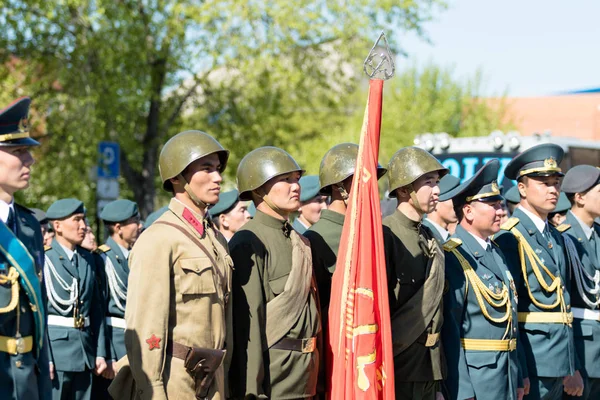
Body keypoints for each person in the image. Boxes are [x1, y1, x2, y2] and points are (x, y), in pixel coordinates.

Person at [109, 130, 233, 400]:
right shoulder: (158, 239)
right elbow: (144, 326)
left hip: (214, 379)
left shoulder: (216, 239)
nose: (218, 177)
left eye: (218, 169)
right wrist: (152, 390)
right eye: (206, 168)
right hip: (176, 381)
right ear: (177, 177)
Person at [229, 146, 320, 399]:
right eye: (286, 180)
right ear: (258, 189)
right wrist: (251, 391)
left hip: (307, 377)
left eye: (297, 179)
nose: (296, 186)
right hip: (275, 381)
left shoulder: (299, 240)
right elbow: (248, 326)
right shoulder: (248, 241)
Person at [494, 143, 583, 399]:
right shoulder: (510, 236)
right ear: (521, 188)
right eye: (544, 183)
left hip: (557, 361)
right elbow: (509, 312)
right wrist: (519, 370)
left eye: (556, 182)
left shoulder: (555, 236)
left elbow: (563, 307)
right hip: (532, 362)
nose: (554, 190)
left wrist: (571, 363)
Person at [441, 160, 523, 400]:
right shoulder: (454, 256)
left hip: (505, 376)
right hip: (478, 383)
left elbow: (511, 322)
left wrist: (517, 377)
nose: (501, 211)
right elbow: (451, 330)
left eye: (500, 204)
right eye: (493, 205)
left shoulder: (496, 250)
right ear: (468, 211)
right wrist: (463, 390)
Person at [383, 146, 447, 400]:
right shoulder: (386, 235)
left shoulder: (431, 237)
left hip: (429, 369)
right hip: (399, 368)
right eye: (429, 183)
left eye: (437, 183)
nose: (437, 191)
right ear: (403, 189)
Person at [0, 97, 51, 399]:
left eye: (28, 151)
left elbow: (38, 310)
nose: (30, 160)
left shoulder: (30, 225)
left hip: (27, 373)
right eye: (19, 151)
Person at [304, 142, 387, 323]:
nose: (369, 186)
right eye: (362, 179)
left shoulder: (372, 233)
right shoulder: (316, 239)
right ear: (337, 186)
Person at [45, 198, 107, 400]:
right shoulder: (45, 258)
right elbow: (39, 313)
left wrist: (99, 352)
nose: (84, 226)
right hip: (57, 351)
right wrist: (46, 357)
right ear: (57, 226)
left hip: (85, 351)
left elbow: (95, 309)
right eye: (77, 220)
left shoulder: (87, 258)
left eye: (84, 220)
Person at [93, 199, 142, 398]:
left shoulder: (135, 256)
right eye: (135, 221)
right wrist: (106, 354)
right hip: (115, 343)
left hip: (134, 340)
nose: (140, 225)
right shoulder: (102, 259)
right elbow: (99, 311)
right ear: (118, 227)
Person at [561, 165, 600, 400]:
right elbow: (560, 309)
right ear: (580, 197)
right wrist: (569, 364)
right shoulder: (563, 237)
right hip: (580, 348)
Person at [423, 174, 460, 244]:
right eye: (453, 199)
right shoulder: (424, 235)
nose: (458, 204)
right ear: (435, 202)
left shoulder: (448, 236)